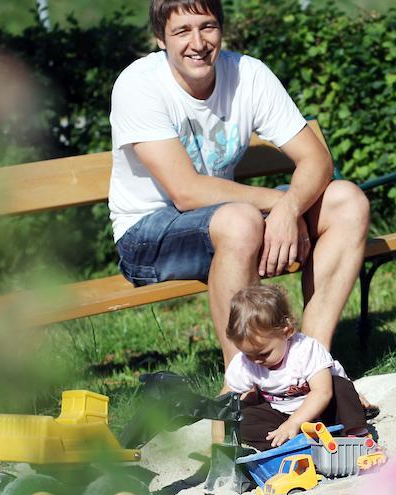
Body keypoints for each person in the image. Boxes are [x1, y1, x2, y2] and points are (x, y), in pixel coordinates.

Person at [107, 0, 369, 398]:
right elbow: (186, 191)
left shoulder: (248, 74)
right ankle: (242, 390)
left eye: (207, 27)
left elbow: (317, 159)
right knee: (241, 220)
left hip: (227, 221)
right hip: (146, 235)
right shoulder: (138, 84)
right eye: (182, 31)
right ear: (160, 38)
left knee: (346, 200)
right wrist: (279, 206)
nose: (198, 42)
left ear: (221, 29)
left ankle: (308, 370)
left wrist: (290, 206)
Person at [224, 284, 368, 451]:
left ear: (287, 332)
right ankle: (291, 445)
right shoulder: (245, 362)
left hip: (324, 409)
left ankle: (356, 436)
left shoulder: (305, 350)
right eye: (249, 354)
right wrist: (219, 440)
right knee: (244, 419)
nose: (256, 360)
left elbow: (322, 392)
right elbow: (226, 399)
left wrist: (295, 422)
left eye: (264, 354)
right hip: (282, 414)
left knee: (341, 387)